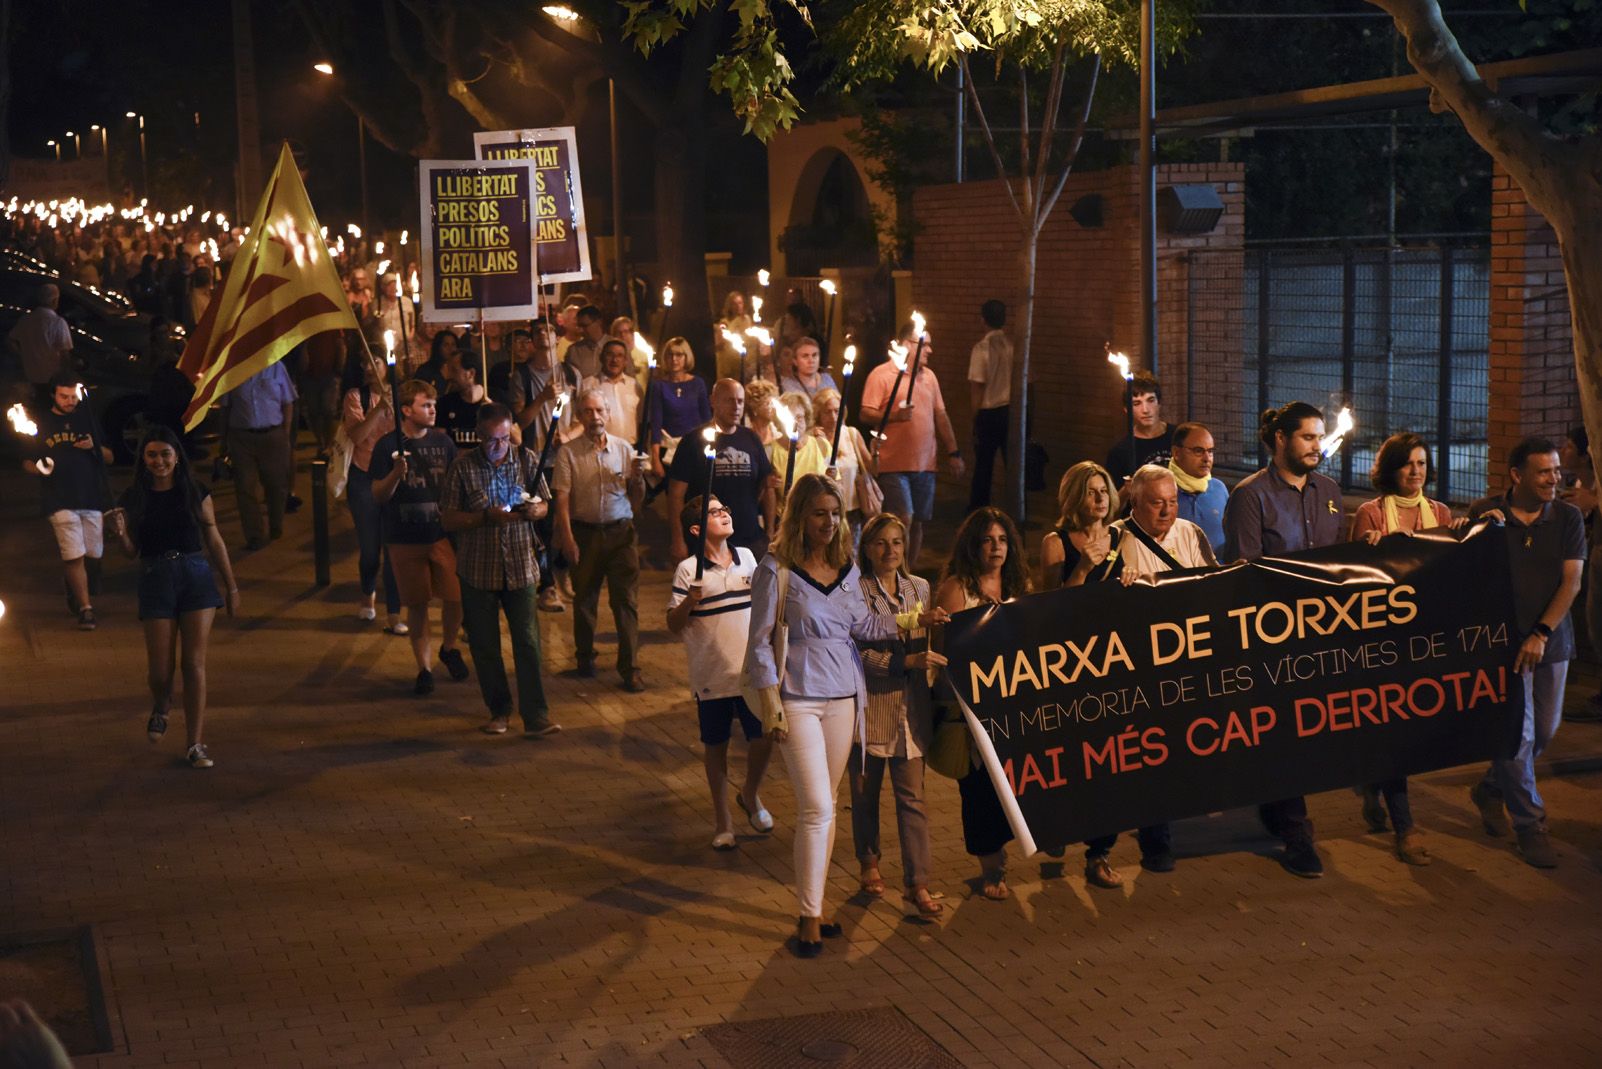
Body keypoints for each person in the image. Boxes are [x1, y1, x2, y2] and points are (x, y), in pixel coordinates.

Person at [746, 474, 937, 957]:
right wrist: (770, 702)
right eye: (819, 513)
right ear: (800, 516)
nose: (829, 522)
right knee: (816, 807)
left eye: (835, 513)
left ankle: (817, 901)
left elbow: (865, 624)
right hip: (797, 697)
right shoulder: (776, 569)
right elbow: (759, 642)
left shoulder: (846, 568)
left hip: (844, 697)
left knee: (827, 805)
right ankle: (808, 916)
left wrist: (915, 620)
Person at [1222, 401, 1341, 878]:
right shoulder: (1250, 496)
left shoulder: (1329, 491)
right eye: (1308, 438)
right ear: (1280, 440)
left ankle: (1273, 803)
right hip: (1276, 641)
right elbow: (1244, 569)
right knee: (1288, 733)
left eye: (1319, 437)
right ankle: (1297, 835)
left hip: (1324, 635)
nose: (1318, 446)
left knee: (1304, 737)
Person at [1347, 432, 1467, 865]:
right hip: (1382, 643)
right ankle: (1406, 827)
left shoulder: (1439, 512)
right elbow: (1354, 579)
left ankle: (1371, 782)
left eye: (1421, 463)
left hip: (1423, 640)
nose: (1415, 471)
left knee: (1405, 731)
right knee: (1395, 730)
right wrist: (1369, 552)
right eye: (1407, 464)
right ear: (1390, 468)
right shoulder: (1371, 513)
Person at [1466, 436, 1586, 869]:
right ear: (1517, 475)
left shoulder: (1568, 517)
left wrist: (1540, 632)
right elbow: (1460, 565)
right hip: (1504, 647)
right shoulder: (1486, 513)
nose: (1555, 478)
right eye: (1544, 471)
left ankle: (1491, 787)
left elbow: (1570, 582)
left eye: (1556, 470)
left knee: (1546, 733)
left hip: (1551, 643)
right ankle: (1530, 825)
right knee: (1519, 734)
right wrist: (1482, 532)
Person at [107, 426, 238, 770]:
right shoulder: (134, 497)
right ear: (143, 459)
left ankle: (195, 743)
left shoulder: (194, 491)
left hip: (195, 576)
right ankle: (161, 705)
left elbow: (214, 539)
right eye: (152, 454)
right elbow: (131, 553)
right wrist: (120, 534)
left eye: (165, 454)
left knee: (193, 664)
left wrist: (232, 585)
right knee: (160, 671)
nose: (159, 461)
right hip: (155, 578)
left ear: (177, 456)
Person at [439, 403, 560, 738]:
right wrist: (483, 518)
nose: (500, 446)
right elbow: (448, 518)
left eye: (505, 439)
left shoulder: (526, 461)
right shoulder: (463, 468)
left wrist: (536, 512)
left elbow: (544, 503)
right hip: (478, 570)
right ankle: (499, 710)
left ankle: (536, 715)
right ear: (479, 437)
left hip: (520, 567)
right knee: (485, 645)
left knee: (528, 643)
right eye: (493, 440)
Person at [667, 494, 774, 850]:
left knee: (763, 738)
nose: (725, 514)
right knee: (717, 748)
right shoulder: (688, 569)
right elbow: (673, 624)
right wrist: (690, 601)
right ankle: (723, 820)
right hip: (712, 677)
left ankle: (750, 793)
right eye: (715, 513)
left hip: (750, 673)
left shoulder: (746, 557)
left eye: (725, 509)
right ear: (698, 529)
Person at [934, 507, 1029, 901]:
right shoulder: (958, 589)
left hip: (1015, 701)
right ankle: (992, 866)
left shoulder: (1017, 584)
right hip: (972, 708)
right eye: (988, 540)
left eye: (1003, 539)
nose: (996, 547)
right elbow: (946, 652)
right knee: (979, 791)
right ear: (973, 545)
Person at [853, 513, 945, 917]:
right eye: (881, 543)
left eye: (896, 542)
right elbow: (858, 653)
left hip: (911, 711)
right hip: (872, 709)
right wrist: (906, 661)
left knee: (913, 800)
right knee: (865, 796)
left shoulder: (919, 587)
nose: (890, 551)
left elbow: (931, 639)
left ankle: (917, 884)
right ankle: (869, 862)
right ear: (867, 548)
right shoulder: (856, 591)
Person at [369, 380, 470, 696]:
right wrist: (396, 474)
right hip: (403, 538)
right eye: (426, 405)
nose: (433, 410)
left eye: (434, 405)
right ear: (406, 410)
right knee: (417, 604)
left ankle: (449, 647)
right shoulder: (387, 446)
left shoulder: (444, 442)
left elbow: (456, 485)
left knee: (455, 596)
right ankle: (423, 668)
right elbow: (378, 495)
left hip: (440, 535)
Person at [553, 387, 648, 691]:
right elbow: (563, 500)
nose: (594, 417)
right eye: (588, 411)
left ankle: (630, 667)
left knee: (626, 601)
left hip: (621, 532)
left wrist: (638, 479)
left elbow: (636, 500)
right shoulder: (569, 453)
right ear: (579, 416)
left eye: (599, 411)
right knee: (585, 599)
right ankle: (584, 658)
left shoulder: (624, 449)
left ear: (608, 414)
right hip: (586, 533)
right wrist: (567, 538)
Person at [858, 321, 965, 568]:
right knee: (902, 517)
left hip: (925, 463)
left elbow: (940, 415)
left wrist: (953, 451)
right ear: (907, 345)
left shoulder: (930, 378)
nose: (930, 350)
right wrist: (895, 416)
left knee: (917, 522)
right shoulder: (882, 375)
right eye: (924, 345)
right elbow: (865, 412)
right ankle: (891, 569)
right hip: (892, 463)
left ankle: (909, 571)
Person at [23, 374, 113, 630]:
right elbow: (28, 460)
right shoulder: (41, 422)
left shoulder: (88, 419)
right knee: (74, 555)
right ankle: (86, 609)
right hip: (59, 499)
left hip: (91, 497)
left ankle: (75, 586)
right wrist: (39, 468)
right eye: (64, 396)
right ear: (54, 394)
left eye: (73, 396)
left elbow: (109, 458)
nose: (70, 401)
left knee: (93, 555)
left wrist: (94, 447)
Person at [666, 379, 775, 562]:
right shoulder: (693, 441)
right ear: (713, 401)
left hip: (750, 538)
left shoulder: (751, 439)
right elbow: (676, 495)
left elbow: (767, 488)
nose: (736, 407)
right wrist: (678, 539)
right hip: (707, 542)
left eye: (740, 401)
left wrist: (770, 533)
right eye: (729, 400)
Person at [341, 357, 404, 632]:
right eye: (364, 362)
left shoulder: (403, 394)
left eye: (375, 362)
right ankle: (368, 595)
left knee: (393, 548)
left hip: (394, 476)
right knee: (370, 548)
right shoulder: (356, 397)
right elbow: (357, 436)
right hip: (364, 476)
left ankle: (394, 612)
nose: (368, 367)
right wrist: (379, 409)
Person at [221, 358, 297, 551]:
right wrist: (224, 441)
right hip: (241, 437)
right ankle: (254, 534)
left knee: (276, 484)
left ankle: (275, 523)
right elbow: (226, 406)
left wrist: (285, 435)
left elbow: (288, 402)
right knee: (245, 486)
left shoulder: (275, 367)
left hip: (272, 435)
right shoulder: (233, 371)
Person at [1557, 426, 1602, 721]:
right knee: (1593, 622)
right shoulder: (1583, 486)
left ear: (1587, 455)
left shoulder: (1593, 492)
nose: (1563, 451)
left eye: (1569, 446)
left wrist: (1594, 504)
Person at [1039, 460, 1116, 591]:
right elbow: (1051, 603)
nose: (1100, 499)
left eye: (1104, 491)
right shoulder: (1055, 542)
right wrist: (1082, 569)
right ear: (1073, 497)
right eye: (1090, 493)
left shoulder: (1123, 537)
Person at [966, 299, 1013, 511]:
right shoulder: (1013, 346)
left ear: (983, 320)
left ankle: (979, 508)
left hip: (988, 412)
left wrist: (974, 417)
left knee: (984, 464)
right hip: (1011, 411)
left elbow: (977, 386)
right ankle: (1015, 506)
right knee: (1012, 464)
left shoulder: (981, 348)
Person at [644, 336, 711, 480]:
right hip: (668, 449)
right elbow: (656, 424)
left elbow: (706, 419)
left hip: (694, 447)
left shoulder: (697, 383)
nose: (674, 359)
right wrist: (655, 459)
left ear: (686, 357)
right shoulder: (659, 386)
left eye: (679, 354)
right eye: (670, 354)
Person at [811, 387, 872, 535]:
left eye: (837, 411)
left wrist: (876, 451)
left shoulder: (851, 434)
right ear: (818, 414)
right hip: (825, 511)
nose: (833, 416)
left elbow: (872, 469)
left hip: (852, 509)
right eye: (827, 411)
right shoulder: (812, 439)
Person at [7, 283, 73, 408]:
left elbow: (10, 340)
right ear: (55, 300)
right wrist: (66, 375)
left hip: (30, 376)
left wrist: (22, 355)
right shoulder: (58, 323)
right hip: (51, 379)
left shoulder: (26, 320)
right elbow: (65, 353)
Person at [1104, 371, 1173, 491]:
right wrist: (1126, 490)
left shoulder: (1178, 436)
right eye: (1137, 403)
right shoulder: (1120, 452)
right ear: (1127, 409)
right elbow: (1112, 505)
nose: (1145, 410)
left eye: (1150, 400)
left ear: (1159, 402)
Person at [1170, 421, 1228, 553]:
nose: (1207, 458)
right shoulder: (1163, 490)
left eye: (1211, 451)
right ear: (1177, 453)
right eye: (1198, 451)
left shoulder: (1219, 489)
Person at [766, 391, 829, 498]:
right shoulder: (770, 450)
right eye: (791, 418)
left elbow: (836, 481)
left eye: (799, 417)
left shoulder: (821, 444)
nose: (796, 423)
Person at [584, 339, 644, 442]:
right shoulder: (588, 385)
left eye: (620, 356)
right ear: (601, 358)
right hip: (599, 449)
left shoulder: (634, 386)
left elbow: (642, 420)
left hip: (630, 449)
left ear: (625, 361)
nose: (615, 360)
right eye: (610, 355)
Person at [436, 353, 489, 450]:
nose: (449, 377)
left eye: (454, 371)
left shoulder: (497, 397)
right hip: (456, 462)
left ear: (471, 373)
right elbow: (439, 442)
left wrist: (495, 411)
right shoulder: (445, 403)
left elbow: (517, 439)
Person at [778, 336, 838, 401]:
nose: (811, 361)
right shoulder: (787, 385)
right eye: (805, 356)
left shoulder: (827, 379)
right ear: (795, 361)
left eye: (814, 355)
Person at [715, 291, 753, 380]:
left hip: (742, 361)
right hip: (727, 362)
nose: (738, 306)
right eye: (734, 304)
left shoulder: (746, 319)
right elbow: (720, 343)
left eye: (740, 303)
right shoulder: (724, 322)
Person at [563, 305, 608, 381]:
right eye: (579, 326)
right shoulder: (574, 351)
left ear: (598, 322)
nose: (581, 330)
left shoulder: (617, 347)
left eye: (584, 326)